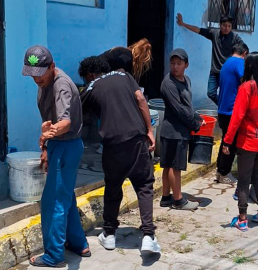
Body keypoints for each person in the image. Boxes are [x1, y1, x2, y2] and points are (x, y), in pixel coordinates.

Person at [79, 56, 160, 253]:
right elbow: (141, 99)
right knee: (144, 186)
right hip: (137, 138)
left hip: (112, 144)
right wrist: (149, 130)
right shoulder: (124, 75)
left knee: (113, 188)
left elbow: (74, 115)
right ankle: (148, 236)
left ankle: (109, 235)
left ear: (90, 74)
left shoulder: (89, 88)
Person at [22, 45, 90, 267]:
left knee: (53, 202)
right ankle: (79, 243)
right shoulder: (46, 80)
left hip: (65, 146)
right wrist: (45, 146)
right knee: (65, 196)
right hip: (59, 145)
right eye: (32, 75)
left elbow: (65, 122)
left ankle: (53, 255)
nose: (36, 79)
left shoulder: (61, 86)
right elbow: (50, 122)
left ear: (52, 66)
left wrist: (50, 134)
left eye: (39, 74)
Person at [223, 52, 258, 231]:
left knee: (244, 180)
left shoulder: (247, 87)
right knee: (257, 176)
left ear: (249, 67)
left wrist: (227, 140)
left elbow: (237, 116)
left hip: (248, 142)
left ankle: (242, 218)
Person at [159, 48, 204, 209]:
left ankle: (165, 197)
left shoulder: (187, 80)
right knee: (174, 166)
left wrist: (197, 117)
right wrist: (195, 124)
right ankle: (178, 200)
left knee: (168, 165)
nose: (175, 66)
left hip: (180, 130)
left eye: (179, 63)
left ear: (186, 65)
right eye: (172, 63)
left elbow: (188, 106)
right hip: (173, 131)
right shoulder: (168, 84)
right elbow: (179, 109)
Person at [177, 13, 243, 105]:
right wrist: (183, 24)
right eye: (224, 25)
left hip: (226, 72)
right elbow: (198, 30)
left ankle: (225, 110)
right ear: (220, 25)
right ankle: (222, 106)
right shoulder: (214, 34)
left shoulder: (234, 37)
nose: (226, 28)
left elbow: (244, 49)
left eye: (229, 26)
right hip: (214, 72)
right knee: (210, 93)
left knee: (226, 94)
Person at [216, 42, 249, 184]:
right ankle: (224, 173)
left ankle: (220, 171)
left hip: (222, 109)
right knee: (231, 142)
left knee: (225, 140)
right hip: (231, 110)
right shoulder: (239, 63)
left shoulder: (227, 63)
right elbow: (245, 82)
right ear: (245, 54)